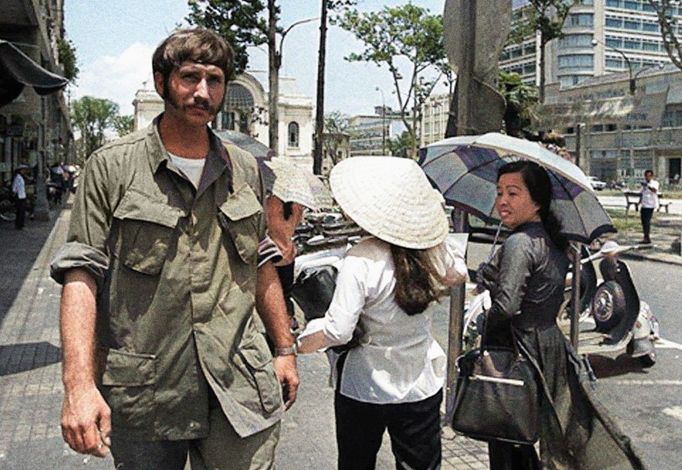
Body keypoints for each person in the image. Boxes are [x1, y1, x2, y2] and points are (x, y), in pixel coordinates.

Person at [50, 28, 302, 470]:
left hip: (238, 384)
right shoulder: (111, 167)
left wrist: (284, 349)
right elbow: (80, 275)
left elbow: (260, 264)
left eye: (215, 79)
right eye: (190, 77)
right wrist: (78, 386)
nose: (202, 92)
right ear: (162, 80)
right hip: (147, 392)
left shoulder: (244, 170)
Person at [297, 157, 468, 470]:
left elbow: (338, 331)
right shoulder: (433, 252)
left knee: (356, 464)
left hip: (364, 386)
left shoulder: (361, 258)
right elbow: (458, 272)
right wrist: (436, 240)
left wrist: (300, 341)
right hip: (419, 383)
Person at [477, 161, 644, 470]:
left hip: (519, 350)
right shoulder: (554, 240)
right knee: (541, 433)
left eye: (513, 193)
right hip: (550, 346)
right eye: (499, 192)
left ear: (537, 200)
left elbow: (507, 306)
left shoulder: (519, 242)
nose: (502, 201)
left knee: (508, 437)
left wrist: (486, 304)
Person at [639, 169, 659, 244]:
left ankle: (647, 238)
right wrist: (639, 202)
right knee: (643, 222)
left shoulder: (654, 183)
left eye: (649, 176)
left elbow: (654, 190)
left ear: (652, 176)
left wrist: (648, 185)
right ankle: (645, 237)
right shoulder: (644, 184)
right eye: (646, 176)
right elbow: (641, 193)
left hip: (650, 205)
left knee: (647, 221)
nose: (647, 178)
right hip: (644, 204)